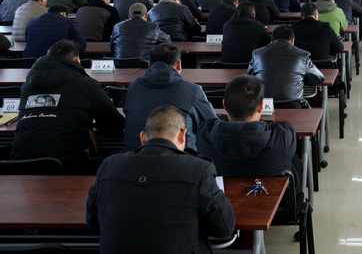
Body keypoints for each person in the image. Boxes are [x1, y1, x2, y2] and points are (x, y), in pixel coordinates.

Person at [87, 106, 235, 253]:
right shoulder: (199, 169)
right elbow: (224, 227)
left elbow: (93, 221)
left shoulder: (109, 165)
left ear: (143, 137)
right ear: (183, 135)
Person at [12, 40, 124, 174]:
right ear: (76, 60)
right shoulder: (86, 84)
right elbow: (114, 123)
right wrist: (86, 127)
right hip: (66, 165)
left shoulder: (27, 85)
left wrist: (85, 126)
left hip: (20, 164)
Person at [197, 75, 304, 205]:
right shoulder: (282, 137)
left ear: (224, 105)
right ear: (261, 106)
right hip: (275, 209)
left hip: (220, 206)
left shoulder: (205, 134)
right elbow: (284, 128)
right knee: (293, 160)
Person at [123, 44, 217, 153]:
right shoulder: (193, 90)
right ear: (179, 64)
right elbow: (212, 126)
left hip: (134, 157)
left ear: (149, 65)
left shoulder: (133, 87)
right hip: (181, 159)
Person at [248, 25, 325, 104]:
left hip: (263, 105)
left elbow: (249, 77)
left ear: (271, 41)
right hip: (292, 105)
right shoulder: (302, 55)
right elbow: (319, 79)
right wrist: (303, 77)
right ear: (293, 40)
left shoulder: (257, 54)